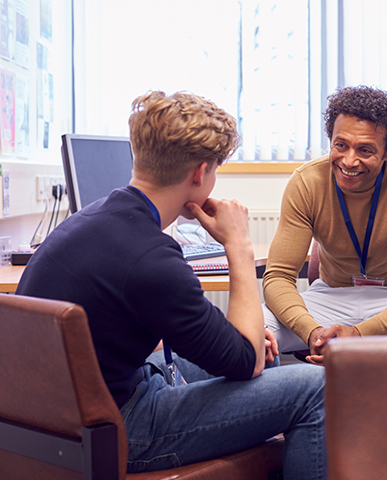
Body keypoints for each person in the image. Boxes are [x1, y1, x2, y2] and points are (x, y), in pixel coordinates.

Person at [17, 91, 326, 479]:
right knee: (316, 387)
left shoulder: (93, 218)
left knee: (266, 352)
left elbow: (219, 341)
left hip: (62, 415)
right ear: (199, 174)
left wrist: (246, 344)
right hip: (118, 429)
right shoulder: (151, 258)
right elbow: (245, 362)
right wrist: (239, 246)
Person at [263, 85, 387, 365]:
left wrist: (360, 333)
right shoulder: (307, 182)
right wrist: (313, 332)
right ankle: (285, 405)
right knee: (253, 329)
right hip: (331, 297)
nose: (349, 160)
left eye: (365, 150)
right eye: (341, 145)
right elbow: (278, 277)